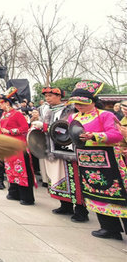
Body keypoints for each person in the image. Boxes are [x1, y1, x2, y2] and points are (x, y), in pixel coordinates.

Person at [67, 81, 127, 240]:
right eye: (76, 103)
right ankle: (109, 228)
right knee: (95, 193)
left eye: (82, 103)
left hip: (109, 160)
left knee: (119, 194)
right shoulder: (73, 117)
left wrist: (94, 136)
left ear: (93, 101)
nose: (78, 106)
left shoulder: (105, 115)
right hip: (86, 160)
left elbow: (117, 135)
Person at [39, 87, 88, 222]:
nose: (47, 98)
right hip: (53, 148)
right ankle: (65, 205)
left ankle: (81, 210)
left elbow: (69, 127)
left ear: (59, 96)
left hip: (68, 149)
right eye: (46, 96)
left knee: (74, 179)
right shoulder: (48, 110)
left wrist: (49, 128)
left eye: (50, 96)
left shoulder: (70, 109)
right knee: (58, 177)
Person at [0, 88, 35, 205]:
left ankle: (26, 196)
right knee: (10, 169)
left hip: (18, 145)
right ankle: (14, 192)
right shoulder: (4, 114)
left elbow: (25, 128)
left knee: (21, 170)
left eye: (1, 103)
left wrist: (10, 131)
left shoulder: (17, 113)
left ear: (7, 103)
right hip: (8, 145)